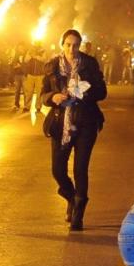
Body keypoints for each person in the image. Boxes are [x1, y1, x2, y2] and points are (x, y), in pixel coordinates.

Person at [41, 29, 107, 231]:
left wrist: (83, 91)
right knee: (58, 170)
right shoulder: (52, 66)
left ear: (80, 46)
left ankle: (79, 212)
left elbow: (102, 91)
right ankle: (71, 196)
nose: (72, 49)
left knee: (80, 168)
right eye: (68, 45)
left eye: (76, 45)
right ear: (62, 45)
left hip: (86, 120)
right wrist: (53, 97)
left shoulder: (89, 64)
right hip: (60, 122)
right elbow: (43, 94)